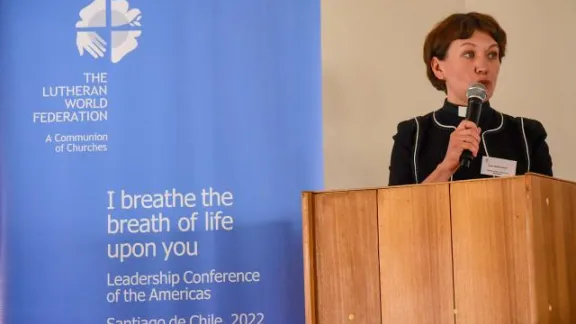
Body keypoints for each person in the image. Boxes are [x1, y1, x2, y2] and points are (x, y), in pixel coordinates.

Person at [387, 12, 553, 186]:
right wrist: (445, 168)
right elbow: (398, 210)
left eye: (492, 55)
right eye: (469, 54)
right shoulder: (412, 135)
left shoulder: (527, 134)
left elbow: (548, 205)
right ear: (438, 68)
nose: (483, 67)